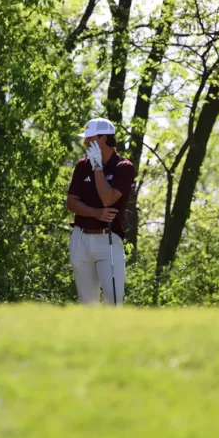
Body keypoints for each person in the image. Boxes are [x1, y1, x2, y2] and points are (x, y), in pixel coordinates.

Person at [66, 117, 136, 305]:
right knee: (88, 303)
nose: (85, 142)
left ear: (103, 138)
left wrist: (98, 168)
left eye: (89, 138)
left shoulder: (123, 167)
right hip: (80, 239)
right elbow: (71, 203)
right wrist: (95, 213)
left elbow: (108, 199)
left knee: (113, 300)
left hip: (108, 240)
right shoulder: (82, 165)